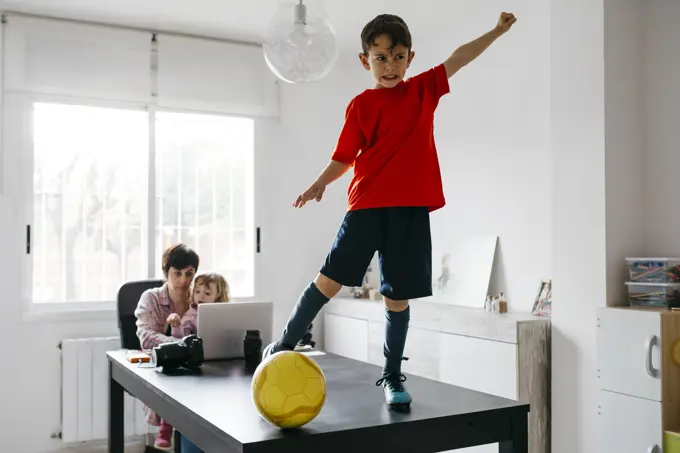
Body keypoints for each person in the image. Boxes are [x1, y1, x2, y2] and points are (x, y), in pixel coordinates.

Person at [262, 12, 517, 409]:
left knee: (397, 300)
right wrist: (319, 184)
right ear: (365, 61)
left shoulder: (423, 90)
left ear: (410, 57)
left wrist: (497, 32)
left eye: (398, 56)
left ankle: (393, 375)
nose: (390, 66)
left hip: (410, 211)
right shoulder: (361, 105)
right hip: (366, 208)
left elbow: (460, 57)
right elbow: (344, 157)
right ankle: (284, 344)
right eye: (380, 58)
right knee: (327, 283)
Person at [133, 243, 203, 452]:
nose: (184, 280)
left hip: (196, 367)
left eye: (189, 274)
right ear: (166, 273)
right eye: (177, 273)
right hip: (162, 366)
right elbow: (146, 337)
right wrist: (182, 346)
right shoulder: (151, 298)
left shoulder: (199, 298)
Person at [167, 272, 231, 338]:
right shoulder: (191, 315)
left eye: (207, 293)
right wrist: (176, 326)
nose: (201, 296)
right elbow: (181, 337)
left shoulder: (223, 312)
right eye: (197, 291)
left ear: (218, 295)